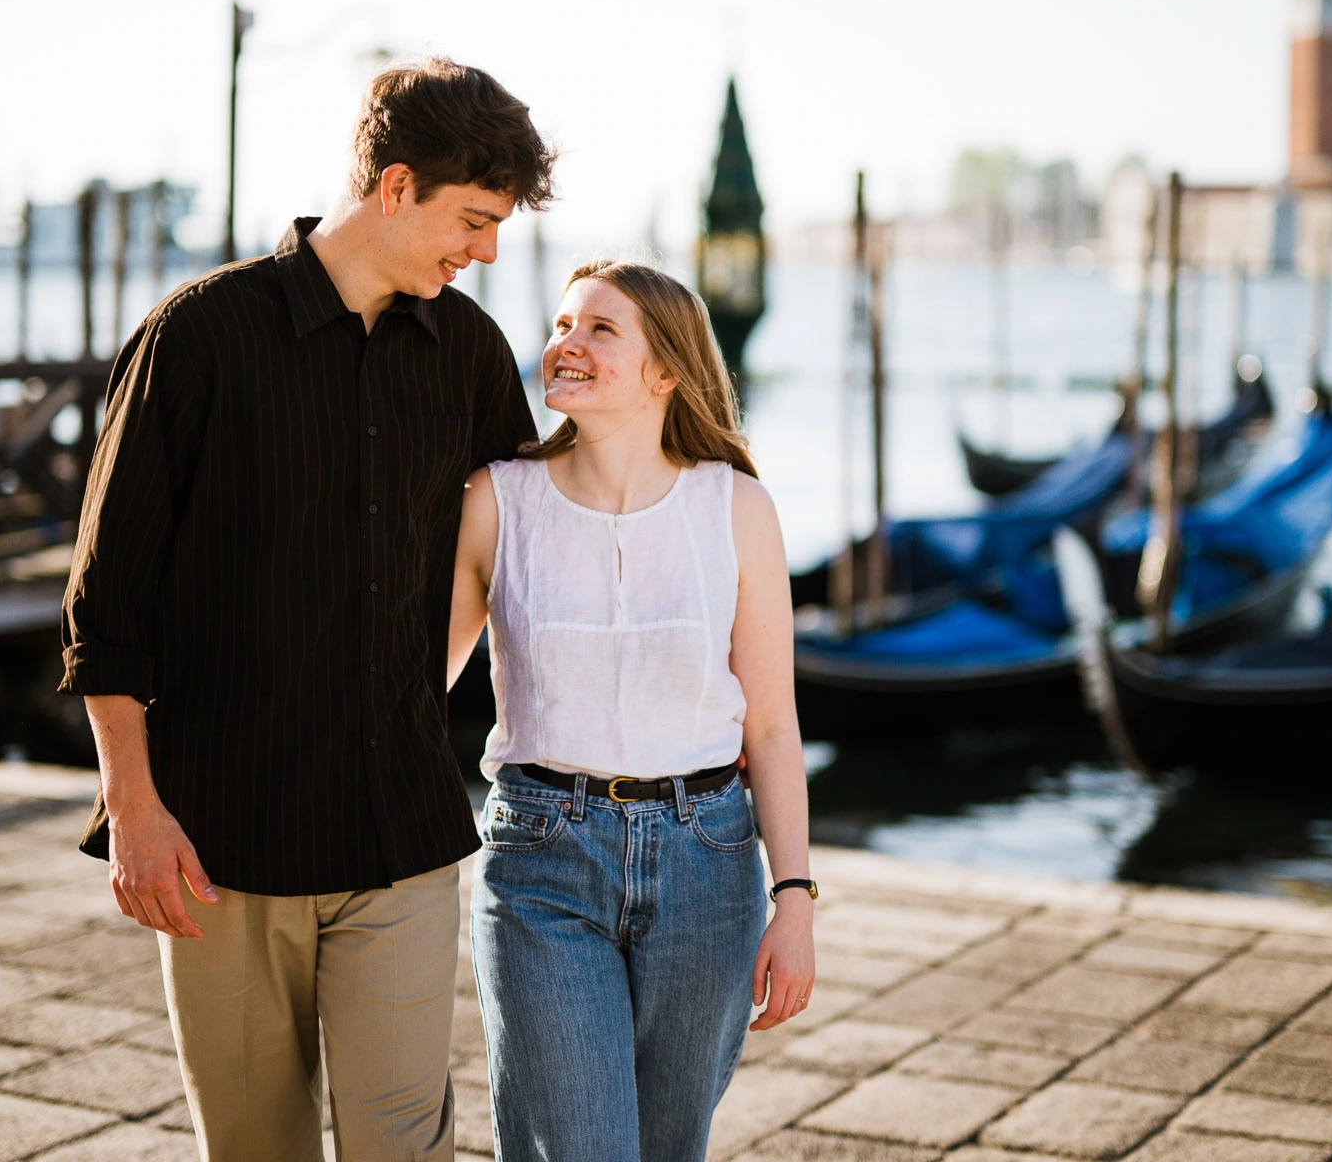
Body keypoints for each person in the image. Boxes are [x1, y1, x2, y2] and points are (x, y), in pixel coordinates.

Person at [59, 57, 554, 1162]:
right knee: (254, 1148)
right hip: (219, 844)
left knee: (401, 1148)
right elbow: (107, 595)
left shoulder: (469, 352)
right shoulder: (195, 337)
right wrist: (133, 808)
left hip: (402, 837)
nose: (482, 252)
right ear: (394, 186)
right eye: (471, 220)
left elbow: (522, 545)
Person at [446, 259, 816, 1162]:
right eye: (563, 323)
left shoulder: (737, 508)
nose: (564, 343)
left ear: (666, 373)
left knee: (667, 1148)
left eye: (599, 329)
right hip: (540, 860)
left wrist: (795, 900)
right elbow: (411, 691)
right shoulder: (498, 500)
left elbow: (769, 725)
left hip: (708, 867)